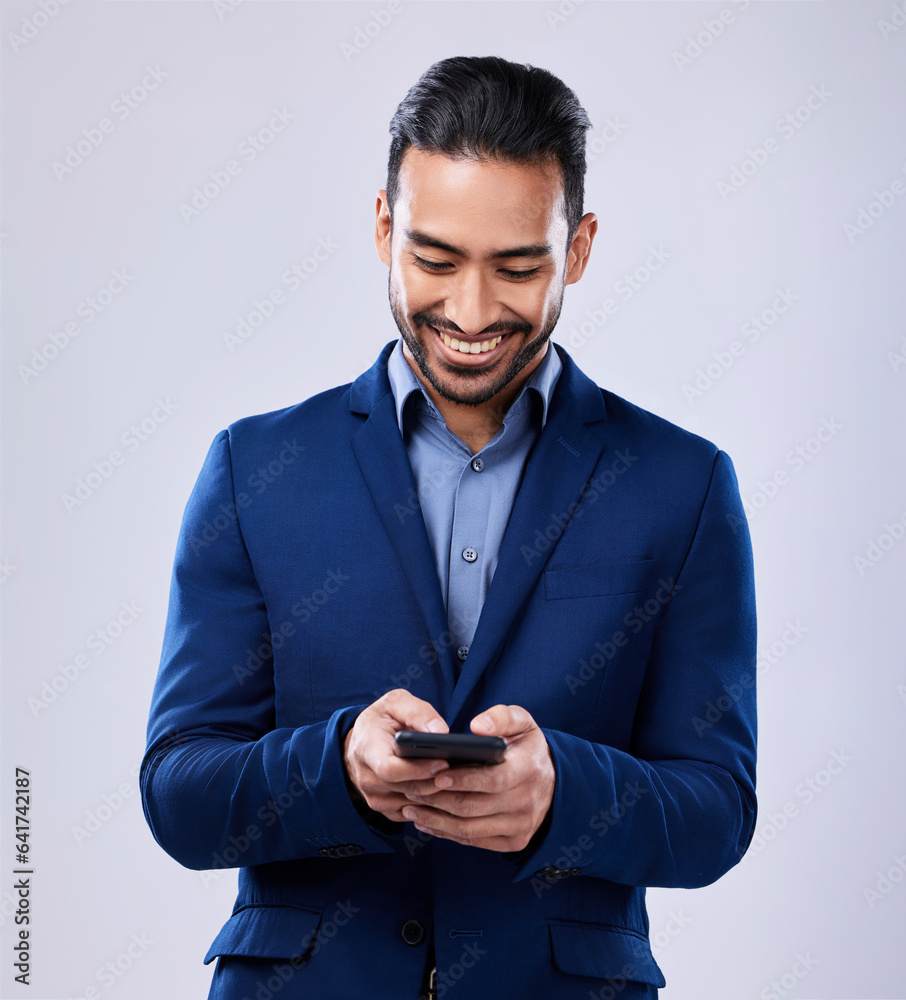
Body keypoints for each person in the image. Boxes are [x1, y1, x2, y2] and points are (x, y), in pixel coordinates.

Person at [140, 55, 758, 1000]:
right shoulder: (253, 470)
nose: (470, 313)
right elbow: (179, 795)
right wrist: (339, 768)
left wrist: (564, 796)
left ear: (579, 249)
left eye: (517, 268)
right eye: (434, 260)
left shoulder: (682, 485)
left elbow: (716, 811)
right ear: (383, 227)